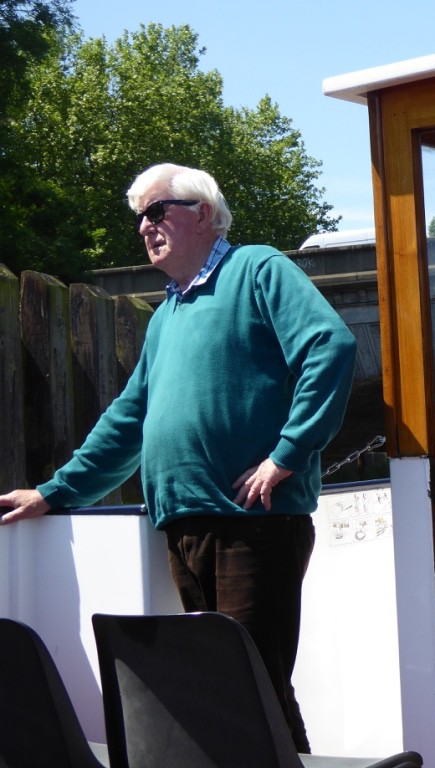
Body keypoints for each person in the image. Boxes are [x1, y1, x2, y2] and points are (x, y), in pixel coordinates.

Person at [0, 162, 357, 753]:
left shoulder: (257, 268)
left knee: (255, 687)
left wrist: (286, 454)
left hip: (255, 522)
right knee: (214, 689)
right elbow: (129, 421)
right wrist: (53, 492)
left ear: (204, 215)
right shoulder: (165, 315)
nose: (144, 226)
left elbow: (330, 346)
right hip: (184, 528)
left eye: (156, 210)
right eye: (139, 217)